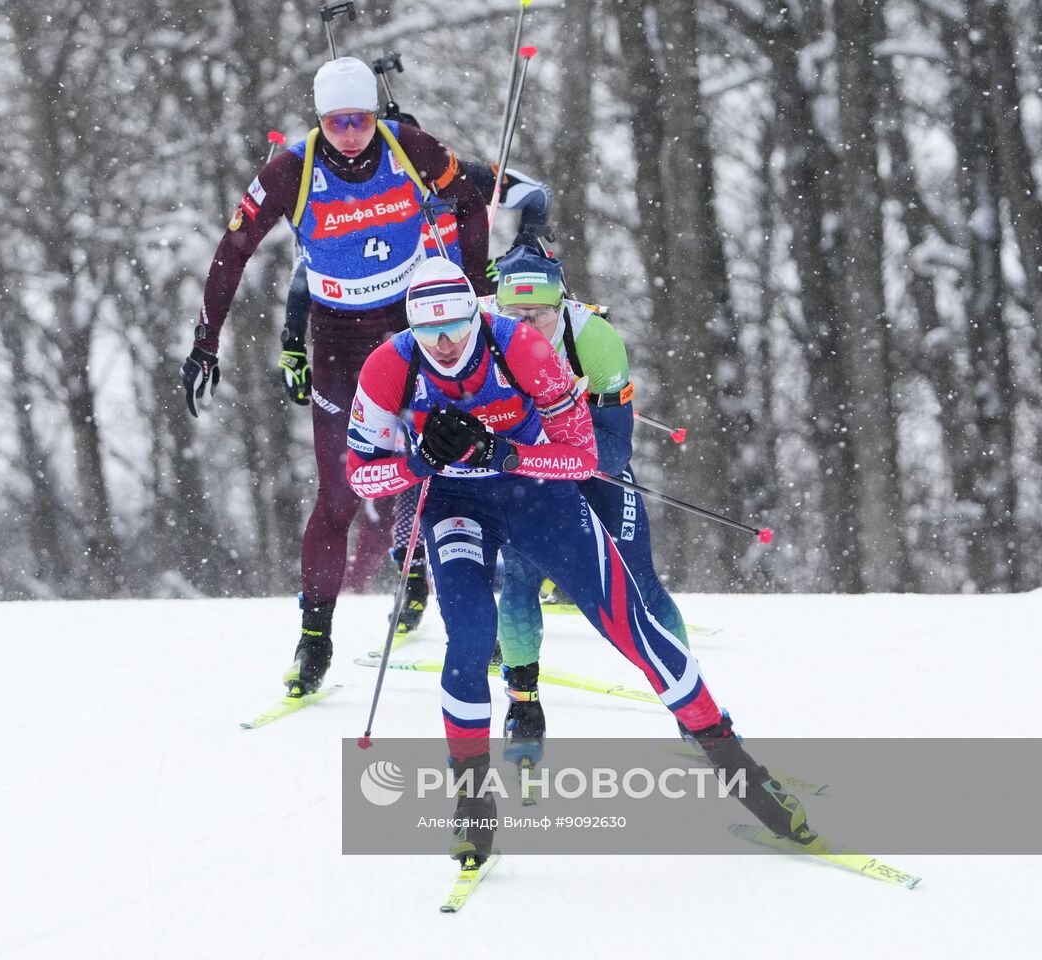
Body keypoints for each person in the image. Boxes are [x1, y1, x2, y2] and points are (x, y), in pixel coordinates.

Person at [345, 257, 814, 868]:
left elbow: (584, 458)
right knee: (468, 636)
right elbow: (362, 478)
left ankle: (737, 767)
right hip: (456, 504)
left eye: (457, 327)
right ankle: (471, 802)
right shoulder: (389, 367)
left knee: (633, 629)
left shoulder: (523, 349)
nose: (446, 345)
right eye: (429, 334)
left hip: (539, 496)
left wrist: (505, 452)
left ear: (475, 314)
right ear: (410, 329)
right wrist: (420, 464)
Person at [179, 56, 492, 697]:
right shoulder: (292, 167)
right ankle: (315, 637)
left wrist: (476, 288)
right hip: (341, 342)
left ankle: (467, 613)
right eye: (337, 122)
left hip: (411, 335)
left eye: (360, 120)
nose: (351, 133)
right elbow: (232, 250)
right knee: (340, 496)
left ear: (375, 116)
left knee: (448, 468)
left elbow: (472, 198)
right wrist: (205, 342)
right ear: (320, 121)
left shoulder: (408, 146)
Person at [279, 161, 555, 638]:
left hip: (468, 337)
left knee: (495, 448)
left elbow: (536, 195)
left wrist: (516, 255)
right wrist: (292, 339)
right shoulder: (370, 204)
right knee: (417, 456)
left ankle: (517, 577)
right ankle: (413, 573)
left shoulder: (464, 174)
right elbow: (308, 268)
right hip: (401, 346)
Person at [484, 245, 688, 760]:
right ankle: (523, 705)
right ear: (498, 308)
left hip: (591, 460)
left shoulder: (593, 339)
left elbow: (617, 448)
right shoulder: (482, 334)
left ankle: (690, 702)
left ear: (564, 306)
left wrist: (558, 454)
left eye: (541, 315)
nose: (528, 326)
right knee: (521, 576)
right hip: (526, 471)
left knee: (639, 581)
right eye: (516, 315)